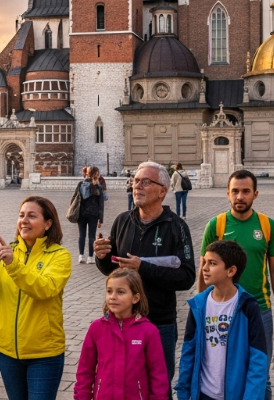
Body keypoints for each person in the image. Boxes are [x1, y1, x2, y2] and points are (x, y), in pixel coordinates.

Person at [94, 161, 197, 399]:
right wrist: (102, 257)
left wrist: (143, 267)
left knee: (158, 390)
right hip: (121, 324)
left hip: (159, 323)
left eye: (145, 182)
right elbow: (112, 269)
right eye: (136, 181)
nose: (137, 186)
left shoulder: (177, 226)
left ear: (162, 191)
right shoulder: (122, 221)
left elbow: (186, 277)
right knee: (123, 388)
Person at [0, 196, 72, 400]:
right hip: (7, 352)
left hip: (44, 354)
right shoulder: (7, 252)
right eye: (21, 215)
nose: (24, 221)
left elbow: (45, 288)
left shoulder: (59, 255)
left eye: (32, 216)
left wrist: (13, 265)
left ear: (48, 224)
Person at [198, 169, 274, 400]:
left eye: (246, 191)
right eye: (235, 191)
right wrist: (200, 310)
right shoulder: (216, 225)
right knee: (223, 370)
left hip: (259, 310)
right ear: (227, 193)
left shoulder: (267, 225)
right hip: (222, 310)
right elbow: (204, 270)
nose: (240, 196)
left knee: (261, 374)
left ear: (255, 194)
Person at [175, 240, 267, 400]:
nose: (204, 268)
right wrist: (183, 392)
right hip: (204, 394)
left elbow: (258, 359)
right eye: (205, 262)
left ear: (231, 271)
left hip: (235, 395)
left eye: (212, 263)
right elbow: (188, 351)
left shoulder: (248, 306)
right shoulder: (198, 305)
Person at [74, 269, 169, 400]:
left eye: (120, 292)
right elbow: (85, 370)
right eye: (109, 291)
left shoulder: (148, 331)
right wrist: (81, 397)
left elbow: (158, 374)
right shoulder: (96, 328)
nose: (113, 297)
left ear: (135, 298)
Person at [76, 166, 104, 264]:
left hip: (81, 213)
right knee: (91, 236)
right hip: (93, 214)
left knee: (81, 235)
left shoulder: (81, 184)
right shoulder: (98, 186)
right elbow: (101, 204)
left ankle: (81, 256)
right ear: (96, 174)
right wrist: (100, 219)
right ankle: (90, 257)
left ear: (87, 173)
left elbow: (76, 199)